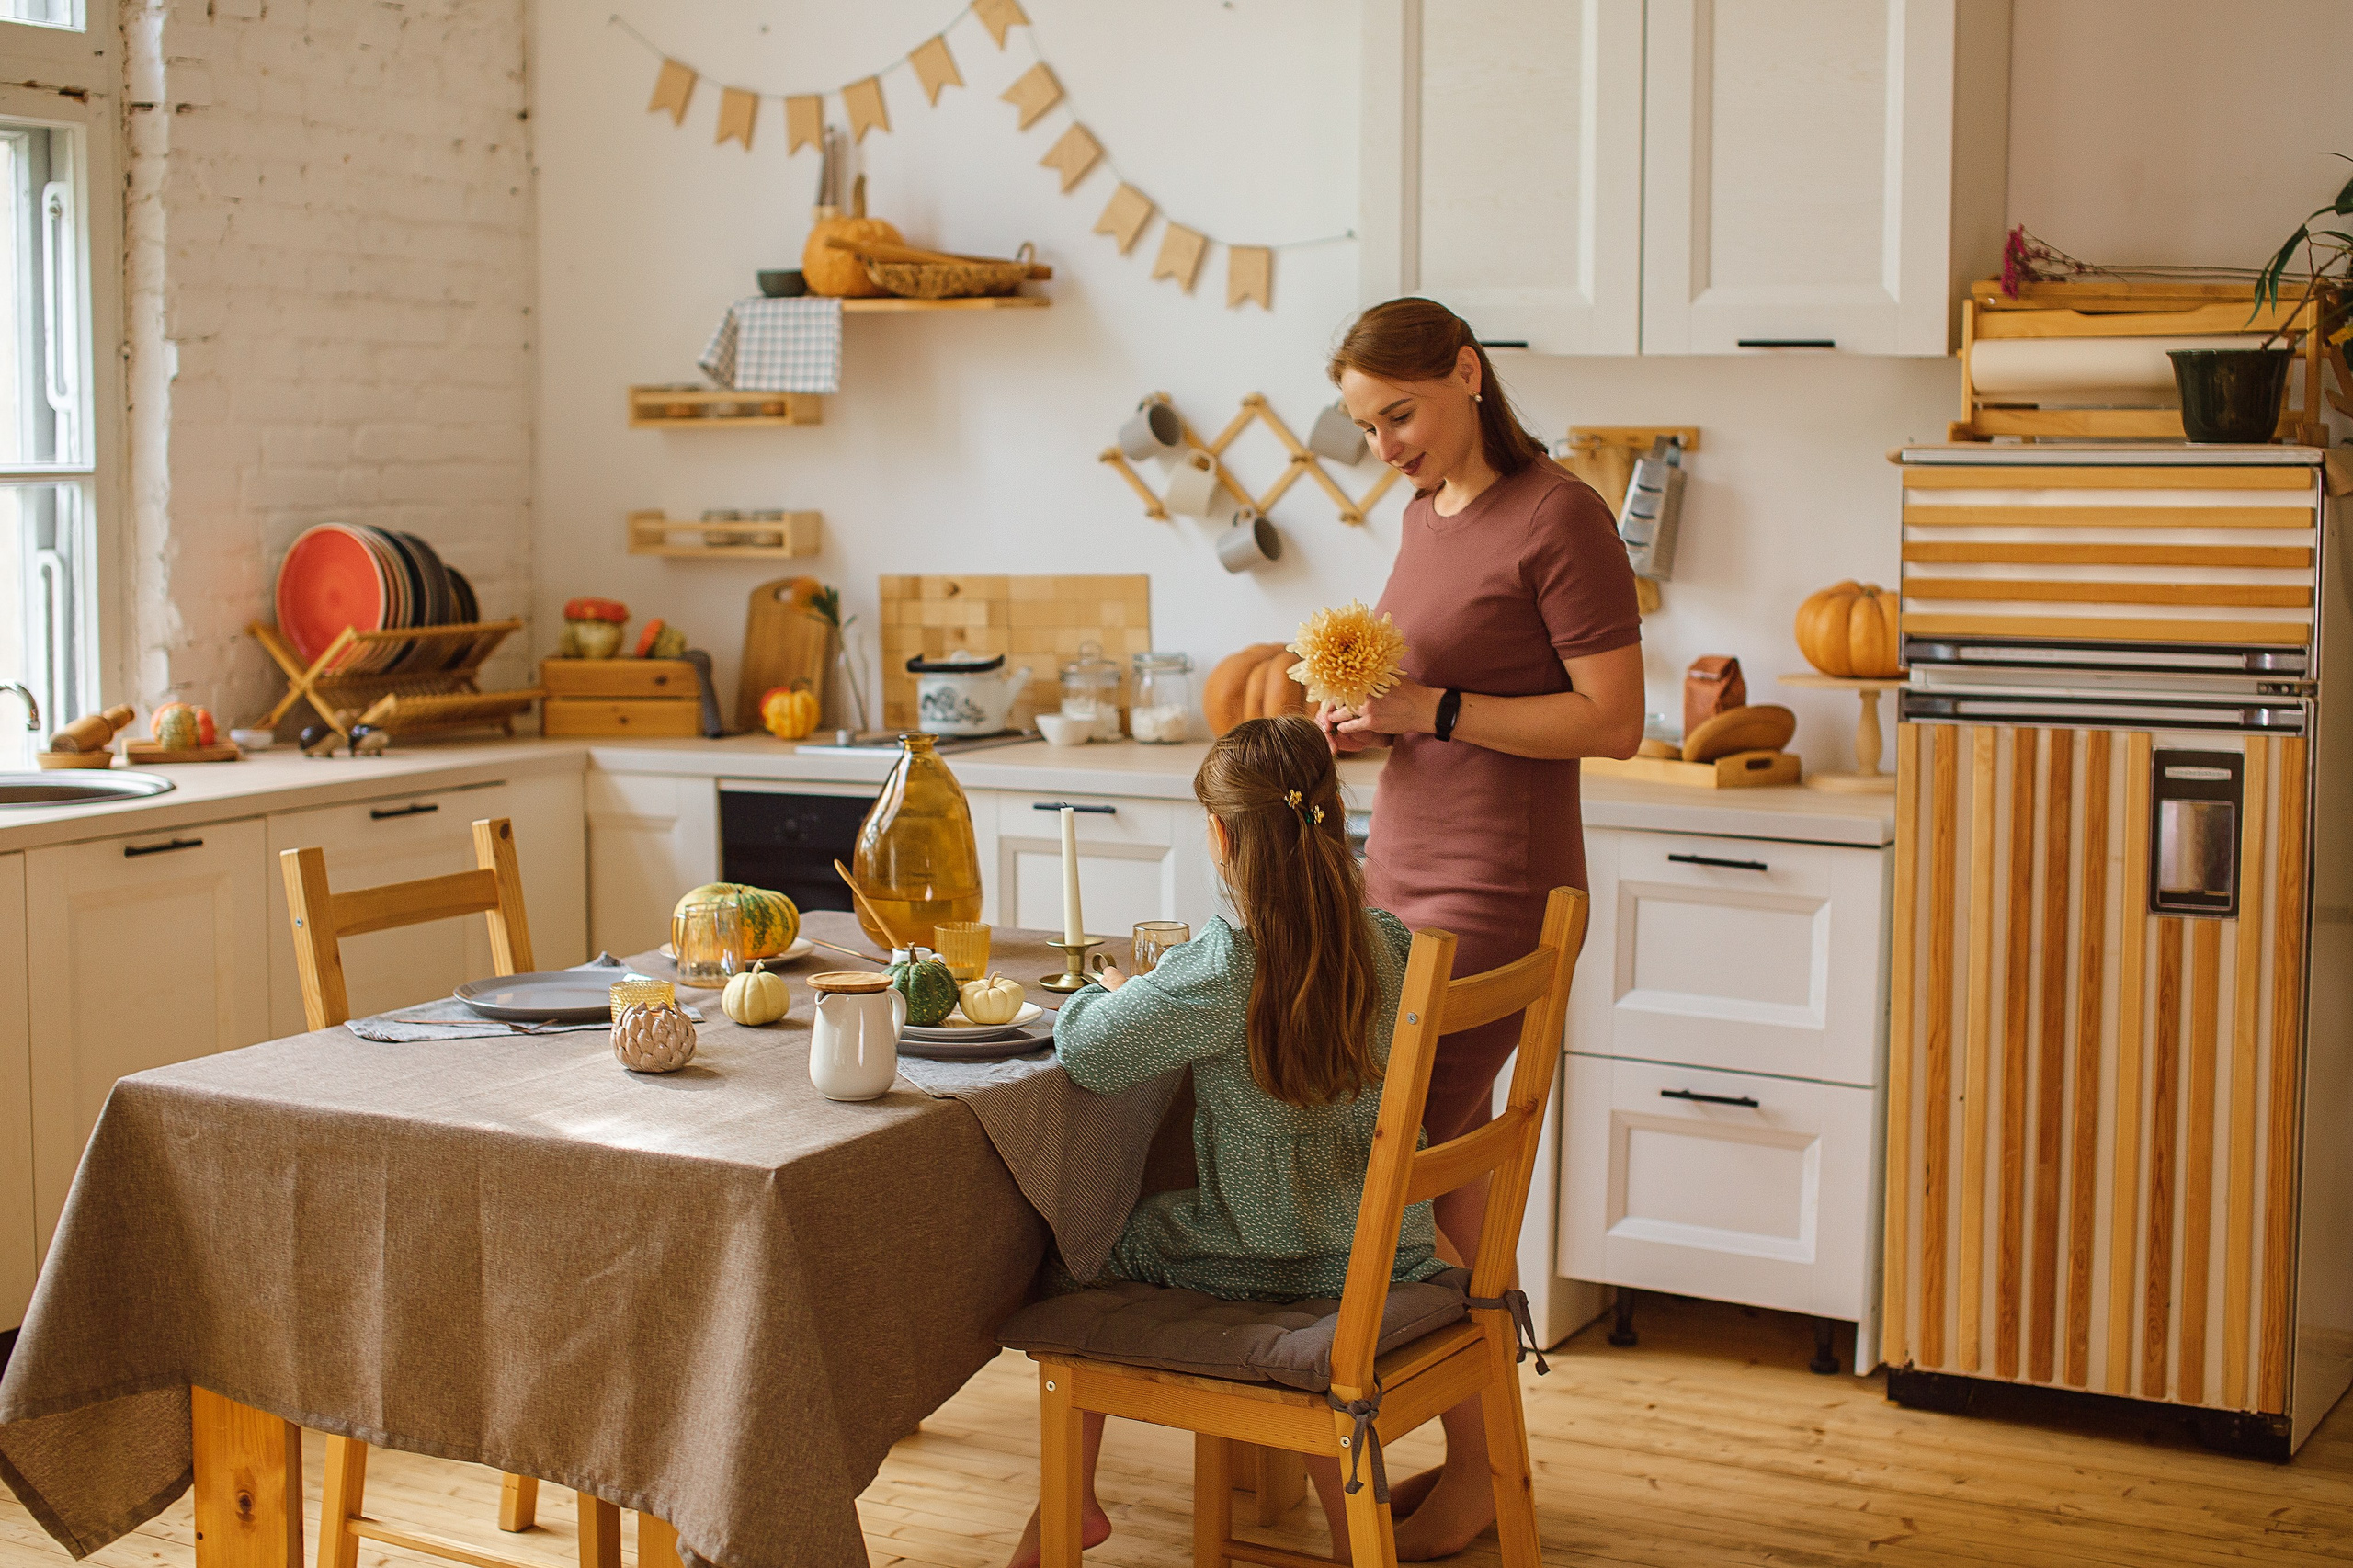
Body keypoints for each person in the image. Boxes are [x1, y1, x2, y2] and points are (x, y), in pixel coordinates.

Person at [1320, 296, 1643, 1555]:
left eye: (1398, 413)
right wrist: (1371, 717)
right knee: (1431, 1182)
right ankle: (1470, 1460)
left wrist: (1434, 711)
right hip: (1395, 872)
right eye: (1366, 424)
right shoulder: (1420, 515)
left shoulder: (1560, 514)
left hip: (1493, 893)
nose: (1385, 444)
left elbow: (1610, 719)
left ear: (1466, 373)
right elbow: (1428, 696)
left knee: (1397, 1167)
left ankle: (1454, 1458)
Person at [1006, 714, 1444, 1568]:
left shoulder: (1224, 966)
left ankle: (1071, 1504)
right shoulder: (1386, 944)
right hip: (1383, 1253)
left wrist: (1112, 989)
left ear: (1219, 836)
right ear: (1332, 814)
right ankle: (1358, 1529)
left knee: (1082, 1247)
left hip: (1257, 1260)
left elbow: (1088, 1053)